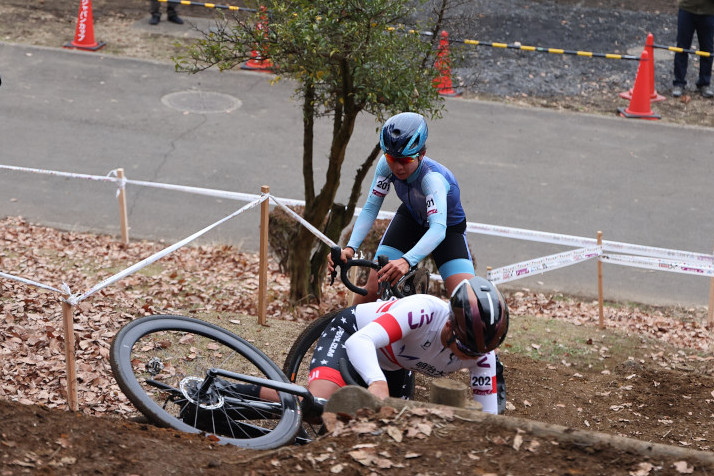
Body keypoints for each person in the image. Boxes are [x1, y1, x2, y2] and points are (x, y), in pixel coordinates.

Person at [328, 112, 476, 304]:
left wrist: (406, 261)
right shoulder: (385, 166)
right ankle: (348, 331)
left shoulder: (432, 179)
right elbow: (371, 207)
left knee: (467, 301)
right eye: (391, 158)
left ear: (421, 155)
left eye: (405, 160)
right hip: (411, 219)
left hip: (447, 229)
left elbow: (438, 230)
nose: (397, 167)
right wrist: (350, 248)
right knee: (373, 289)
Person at [306, 277, 509, 414]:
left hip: (395, 363)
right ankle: (275, 390)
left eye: (478, 353)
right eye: (464, 349)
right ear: (449, 325)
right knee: (318, 406)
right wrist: (377, 382)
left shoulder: (483, 354)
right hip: (352, 332)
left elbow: (488, 418)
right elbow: (359, 341)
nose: (470, 358)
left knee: (391, 428)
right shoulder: (422, 311)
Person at [672, 0, 714, 98]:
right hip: (687, 9)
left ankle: (704, 83)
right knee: (681, 48)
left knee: (707, 49)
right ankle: (679, 83)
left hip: (708, 12)